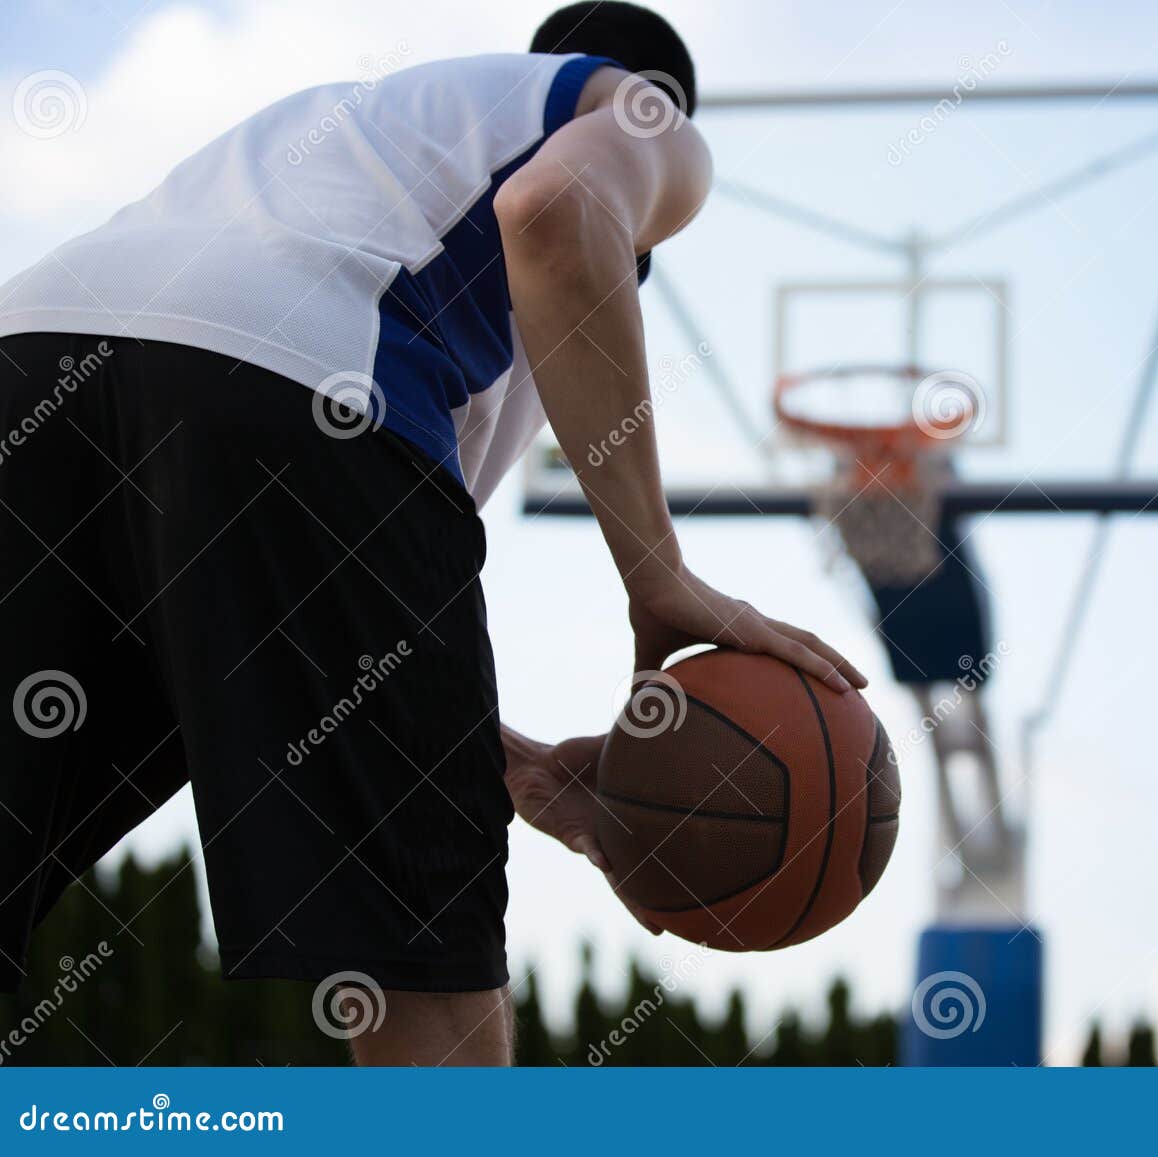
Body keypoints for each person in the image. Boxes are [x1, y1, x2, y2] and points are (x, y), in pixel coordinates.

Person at [0, 1, 864, 1066]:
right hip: (304, 379)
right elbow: (553, 208)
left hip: (30, 371)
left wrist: (502, 763)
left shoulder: (363, 144)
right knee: (428, 992)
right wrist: (658, 573)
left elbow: (338, 626)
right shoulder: (644, 119)